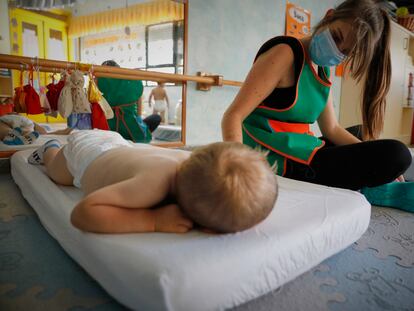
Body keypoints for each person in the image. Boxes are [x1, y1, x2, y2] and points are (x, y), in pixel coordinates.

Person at [221, 0, 413, 211]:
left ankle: (373, 182)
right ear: (329, 17)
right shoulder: (285, 53)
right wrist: (238, 168)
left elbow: (331, 129)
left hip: (298, 149)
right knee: (397, 153)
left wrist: (374, 156)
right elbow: (234, 115)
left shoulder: (322, 69)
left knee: (361, 135)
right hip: (274, 159)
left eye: (346, 52)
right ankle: (374, 187)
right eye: (337, 37)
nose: (337, 50)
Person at [27, 130, 278, 234]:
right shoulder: (153, 184)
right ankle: (50, 147)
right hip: (86, 154)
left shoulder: (195, 162)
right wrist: (152, 221)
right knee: (59, 175)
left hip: (118, 145)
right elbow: (83, 213)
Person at [98, 60, 161, 143]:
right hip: (131, 128)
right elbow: (138, 112)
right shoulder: (132, 82)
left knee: (153, 118)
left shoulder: (97, 83)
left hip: (108, 128)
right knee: (156, 118)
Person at [0, 113, 72, 145]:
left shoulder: (26, 120)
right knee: (5, 129)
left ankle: (21, 139)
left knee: (37, 132)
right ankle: (12, 138)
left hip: (27, 126)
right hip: (7, 125)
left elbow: (42, 131)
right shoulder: (6, 118)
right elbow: (13, 122)